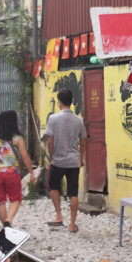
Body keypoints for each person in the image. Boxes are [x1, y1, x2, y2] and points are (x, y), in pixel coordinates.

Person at [0, 109, 34, 228]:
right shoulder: (17, 138)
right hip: (11, 174)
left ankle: (6, 228)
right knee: (16, 199)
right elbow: (24, 156)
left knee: (1, 201)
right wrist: (31, 172)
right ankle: (9, 220)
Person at [45, 89, 87, 233]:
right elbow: (83, 142)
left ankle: (59, 215)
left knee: (54, 187)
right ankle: (72, 224)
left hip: (58, 161)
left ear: (60, 102)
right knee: (73, 193)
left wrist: (51, 156)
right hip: (74, 162)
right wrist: (81, 159)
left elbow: (50, 141)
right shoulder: (79, 120)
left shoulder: (53, 119)